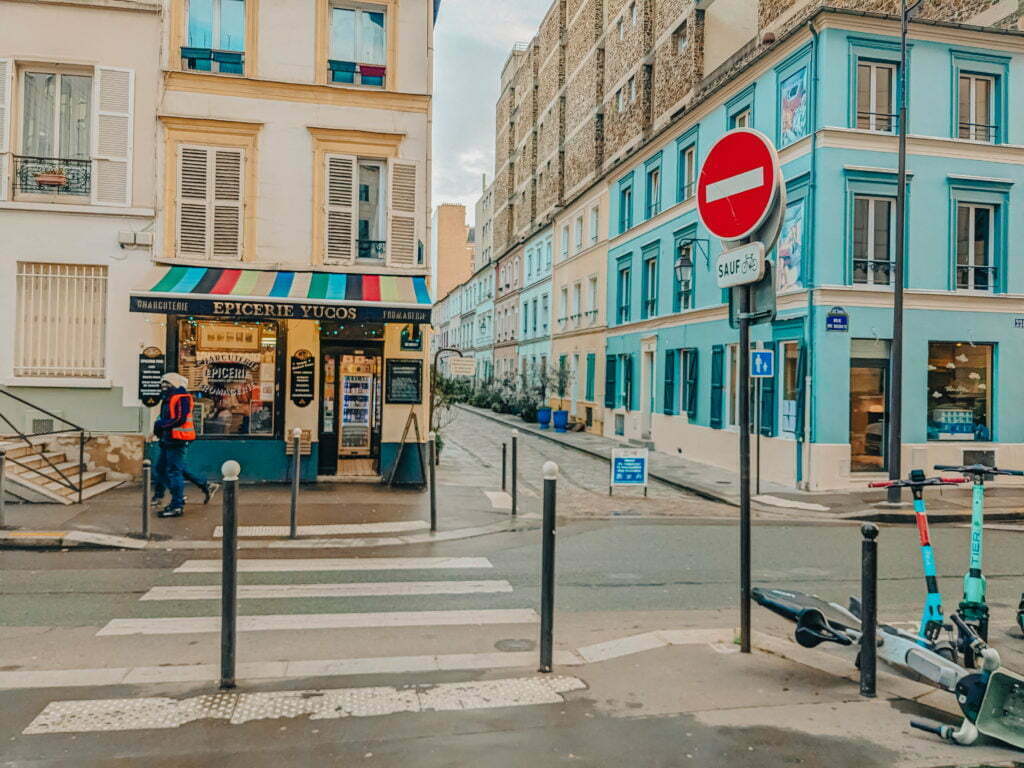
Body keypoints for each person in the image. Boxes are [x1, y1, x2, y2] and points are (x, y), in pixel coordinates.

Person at [151, 373, 209, 518]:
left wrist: (160, 425)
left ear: (174, 384)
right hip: (168, 439)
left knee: (174, 471)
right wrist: (159, 429)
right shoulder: (168, 398)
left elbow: (179, 419)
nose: (164, 386)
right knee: (162, 470)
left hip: (178, 440)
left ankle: (177, 505)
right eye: (162, 383)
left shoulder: (181, 397)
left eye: (167, 383)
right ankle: (197, 488)